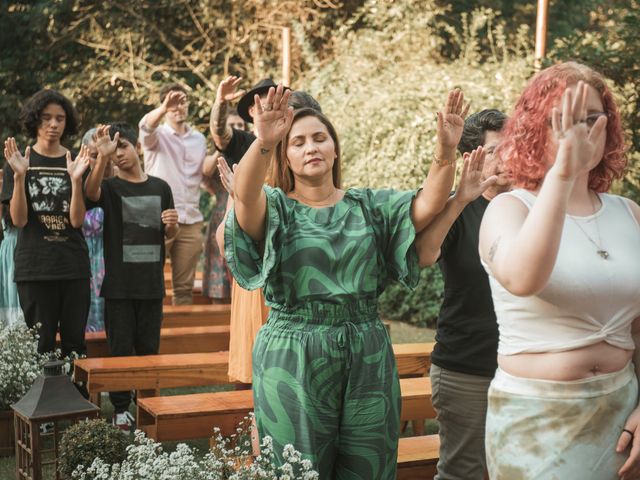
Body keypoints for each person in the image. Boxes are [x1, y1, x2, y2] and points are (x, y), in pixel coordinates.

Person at [225, 84, 473, 478]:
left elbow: (426, 206)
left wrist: (445, 151)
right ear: (286, 157)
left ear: (335, 148)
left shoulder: (368, 206)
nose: (311, 148)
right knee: (296, 470)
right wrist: (264, 141)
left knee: (368, 467)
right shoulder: (276, 209)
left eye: (320, 138)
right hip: (294, 353)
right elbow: (245, 196)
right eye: (299, 142)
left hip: (367, 353)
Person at [478, 62, 640, 479]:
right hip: (536, 420)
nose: (579, 132)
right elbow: (523, 278)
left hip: (621, 412)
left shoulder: (631, 215)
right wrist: (563, 174)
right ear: (535, 129)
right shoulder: (508, 209)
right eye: (562, 120)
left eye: (590, 118)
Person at [415, 109, 507, 479]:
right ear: (475, 157)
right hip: (467, 368)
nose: (512, 155)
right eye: (500, 149)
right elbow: (424, 255)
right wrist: (459, 201)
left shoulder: (535, 207)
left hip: (525, 370)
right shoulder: (460, 208)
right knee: (464, 472)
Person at [84, 123, 178, 431]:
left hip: (151, 286)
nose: (118, 154)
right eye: (113, 151)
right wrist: (102, 157)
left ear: (136, 146)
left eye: (122, 146)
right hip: (119, 288)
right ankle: (121, 410)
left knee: (149, 351)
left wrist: (173, 227)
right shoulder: (110, 188)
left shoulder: (161, 188)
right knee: (120, 351)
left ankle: (147, 406)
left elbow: (169, 235)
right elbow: (89, 192)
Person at [1, 89, 91, 357]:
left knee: (75, 345)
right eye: (46, 118)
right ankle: (42, 400)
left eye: (60, 119)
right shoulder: (18, 161)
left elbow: (76, 220)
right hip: (35, 267)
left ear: (67, 122)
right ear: (35, 120)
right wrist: (19, 176)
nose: (53, 124)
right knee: (41, 347)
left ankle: (77, 398)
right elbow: (18, 220)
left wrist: (76, 180)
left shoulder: (76, 161)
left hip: (72, 265)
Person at [139, 83, 207, 305]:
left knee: (184, 290)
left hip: (191, 220)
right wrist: (163, 108)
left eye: (182, 101)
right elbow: (145, 128)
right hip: (157, 220)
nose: (178, 107)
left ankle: (182, 339)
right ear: (164, 106)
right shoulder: (155, 136)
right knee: (148, 284)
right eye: (172, 103)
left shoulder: (199, 140)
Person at [201, 109, 246, 303]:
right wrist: (222, 146)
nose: (236, 130)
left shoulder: (249, 150)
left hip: (246, 213)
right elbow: (205, 172)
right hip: (221, 214)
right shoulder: (217, 153)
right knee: (219, 267)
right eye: (232, 126)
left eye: (240, 126)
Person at [81, 127, 112, 332]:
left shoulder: (121, 183)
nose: (102, 160)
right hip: (84, 263)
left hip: (112, 263)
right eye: (95, 155)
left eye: (106, 154)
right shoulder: (77, 183)